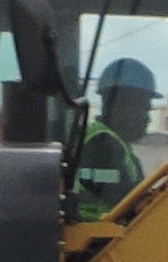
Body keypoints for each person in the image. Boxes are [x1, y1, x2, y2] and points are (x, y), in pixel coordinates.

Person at [68, 62, 161, 218]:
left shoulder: (115, 146)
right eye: (144, 109)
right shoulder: (102, 145)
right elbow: (129, 202)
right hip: (99, 239)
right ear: (121, 104)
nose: (148, 119)